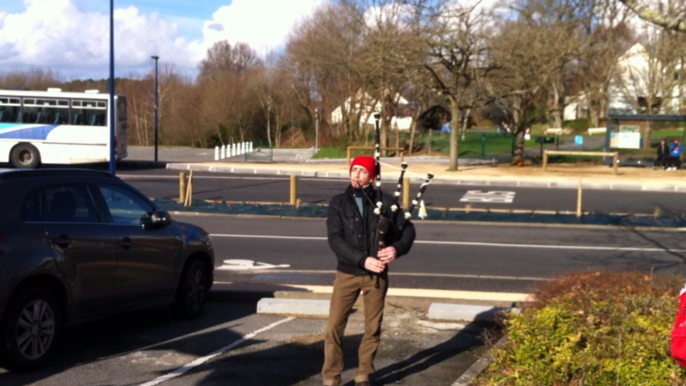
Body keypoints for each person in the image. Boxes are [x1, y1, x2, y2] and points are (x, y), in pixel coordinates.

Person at [322, 156, 416, 386]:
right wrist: (363, 260)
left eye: (362, 171)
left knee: (372, 328)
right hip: (347, 274)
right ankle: (331, 377)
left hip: (377, 276)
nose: (356, 175)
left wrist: (396, 249)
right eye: (354, 170)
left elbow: (408, 231)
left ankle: (364, 374)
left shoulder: (386, 201)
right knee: (334, 327)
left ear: (371, 176)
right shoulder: (338, 202)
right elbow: (335, 239)